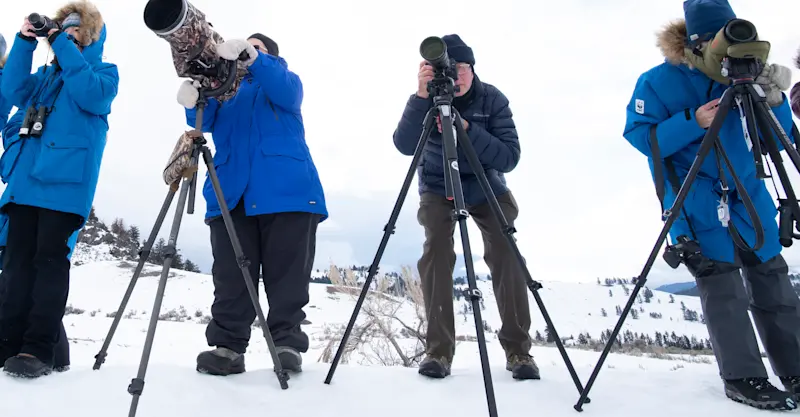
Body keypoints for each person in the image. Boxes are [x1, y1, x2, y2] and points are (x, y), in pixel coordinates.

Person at [623, 0, 800, 410]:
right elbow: (641, 139)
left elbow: (780, 140)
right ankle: (744, 377)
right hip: (697, 198)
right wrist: (692, 121)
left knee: (772, 281)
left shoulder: (748, 74)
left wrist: (773, 101)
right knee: (724, 290)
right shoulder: (658, 82)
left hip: (750, 197)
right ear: (698, 43)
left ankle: (793, 368)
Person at [177, 33, 327, 376]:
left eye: (255, 46)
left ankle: (286, 343)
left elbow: (287, 90)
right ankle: (228, 347)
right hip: (231, 194)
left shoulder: (282, 82)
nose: (243, 49)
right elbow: (206, 121)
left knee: (286, 275)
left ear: (270, 56)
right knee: (231, 275)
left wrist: (254, 58)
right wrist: (193, 100)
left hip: (286, 193)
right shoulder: (226, 94)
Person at [392, 34, 538, 381]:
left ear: (472, 69)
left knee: (506, 251)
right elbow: (404, 145)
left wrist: (467, 129)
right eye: (447, 69)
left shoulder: (492, 99)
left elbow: (509, 157)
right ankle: (438, 352)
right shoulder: (425, 100)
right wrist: (420, 97)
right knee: (437, 253)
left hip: (486, 184)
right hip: (438, 184)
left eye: (460, 68)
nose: (455, 76)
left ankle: (519, 351)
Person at [0, 0, 118, 378]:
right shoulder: (45, 78)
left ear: (89, 34)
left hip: (64, 188)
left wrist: (62, 45)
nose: (63, 32)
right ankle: (8, 345)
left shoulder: (103, 72)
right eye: (60, 26)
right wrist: (24, 41)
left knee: (48, 266)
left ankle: (38, 350)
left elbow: (91, 95)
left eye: (73, 27)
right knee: (15, 268)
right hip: (24, 185)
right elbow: (14, 89)